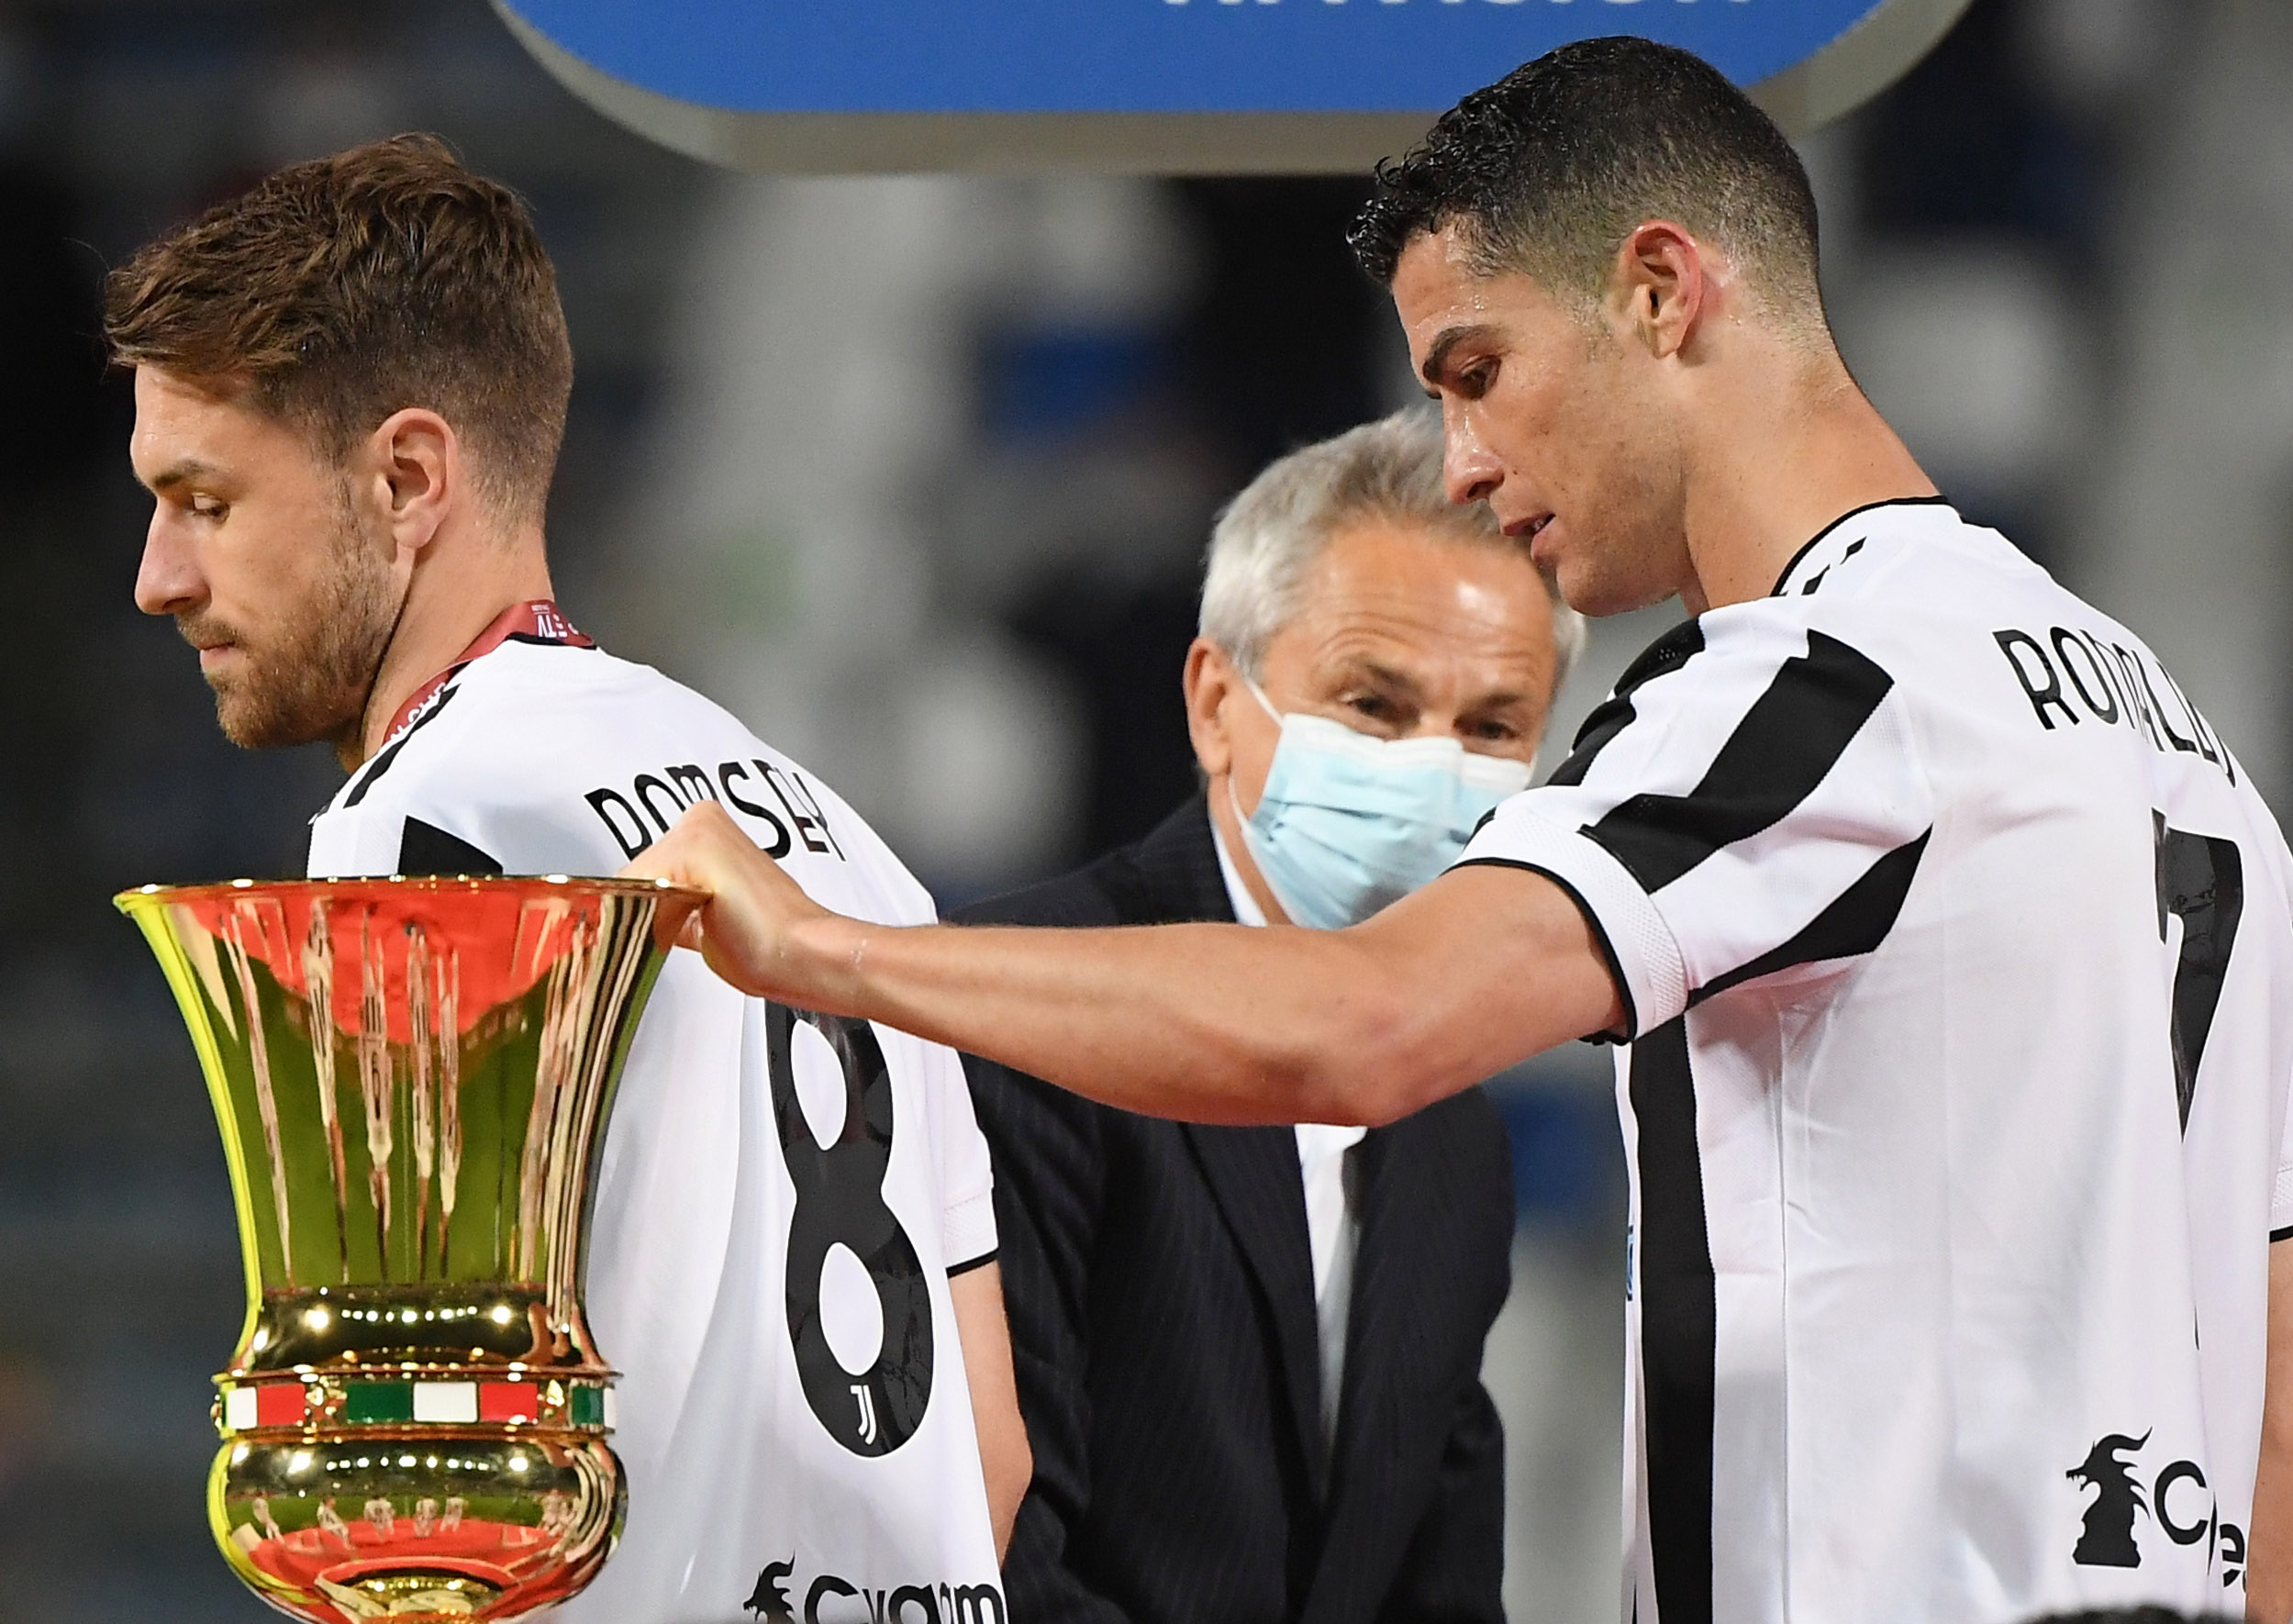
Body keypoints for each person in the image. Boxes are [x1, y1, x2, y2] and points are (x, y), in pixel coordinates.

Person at [627, 38, 2293, 1624]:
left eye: (1481, 375)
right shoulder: (2174, 734)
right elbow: (2276, 1397)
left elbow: (1365, 1023)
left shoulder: (1829, 689)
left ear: (1660, 293)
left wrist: (826, 948)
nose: (1470, 465)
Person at [109, 134, 1029, 1623]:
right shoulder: (851, 847)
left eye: (205, 500)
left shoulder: (428, 821)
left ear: (409, 476)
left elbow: (401, 1503)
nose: (158, 575)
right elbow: (986, 1448)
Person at [963, 408, 1584, 1624]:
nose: (1431, 769)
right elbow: (984, 1564)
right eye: (1375, 705)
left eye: (1493, 727)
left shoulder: (1456, 1131)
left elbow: (1439, 1586)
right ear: (1214, 703)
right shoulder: (1025, 1020)